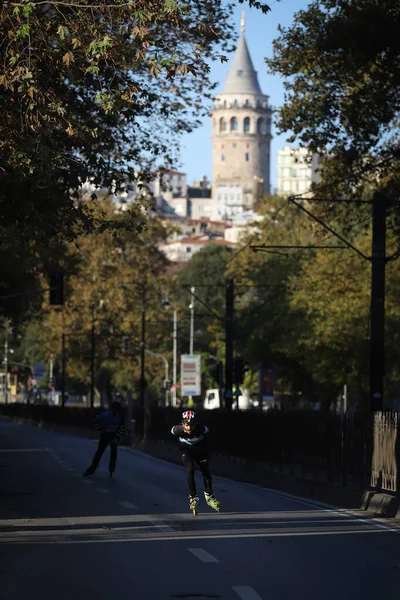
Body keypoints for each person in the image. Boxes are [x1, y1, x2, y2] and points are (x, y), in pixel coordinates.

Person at [171, 410, 220, 512]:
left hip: (200, 449)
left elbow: (209, 433)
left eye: (192, 425)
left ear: (196, 424)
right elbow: (171, 432)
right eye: (186, 425)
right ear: (182, 423)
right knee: (190, 470)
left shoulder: (201, 429)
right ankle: (193, 497)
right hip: (186, 450)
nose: (189, 428)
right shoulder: (177, 430)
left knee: (205, 471)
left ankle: (209, 495)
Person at [84, 400, 125, 478]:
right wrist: (99, 429)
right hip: (105, 435)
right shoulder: (105, 415)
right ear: (112, 409)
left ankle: (111, 467)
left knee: (113, 452)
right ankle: (93, 467)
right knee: (100, 451)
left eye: (117, 409)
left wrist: (117, 437)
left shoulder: (119, 417)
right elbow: (94, 420)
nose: (116, 411)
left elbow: (122, 428)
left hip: (114, 435)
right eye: (115, 409)